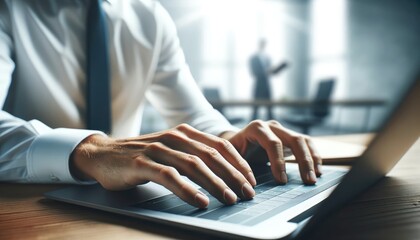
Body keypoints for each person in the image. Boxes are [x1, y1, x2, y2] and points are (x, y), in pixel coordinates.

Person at [0, 0, 321, 209]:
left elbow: (193, 113)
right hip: (26, 203)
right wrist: (90, 152)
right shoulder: (9, 10)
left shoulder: (149, 16)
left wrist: (229, 138)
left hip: (127, 202)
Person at [250, 39, 289, 120]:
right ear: (259, 45)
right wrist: (266, 72)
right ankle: (252, 129)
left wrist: (279, 68)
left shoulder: (267, 58)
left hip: (267, 85)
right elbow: (254, 72)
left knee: (270, 109)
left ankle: (272, 128)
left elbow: (272, 72)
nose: (263, 46)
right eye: (262, 44)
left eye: (264, 44)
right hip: (259, 85)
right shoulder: (253, 58)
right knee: (255, 109)